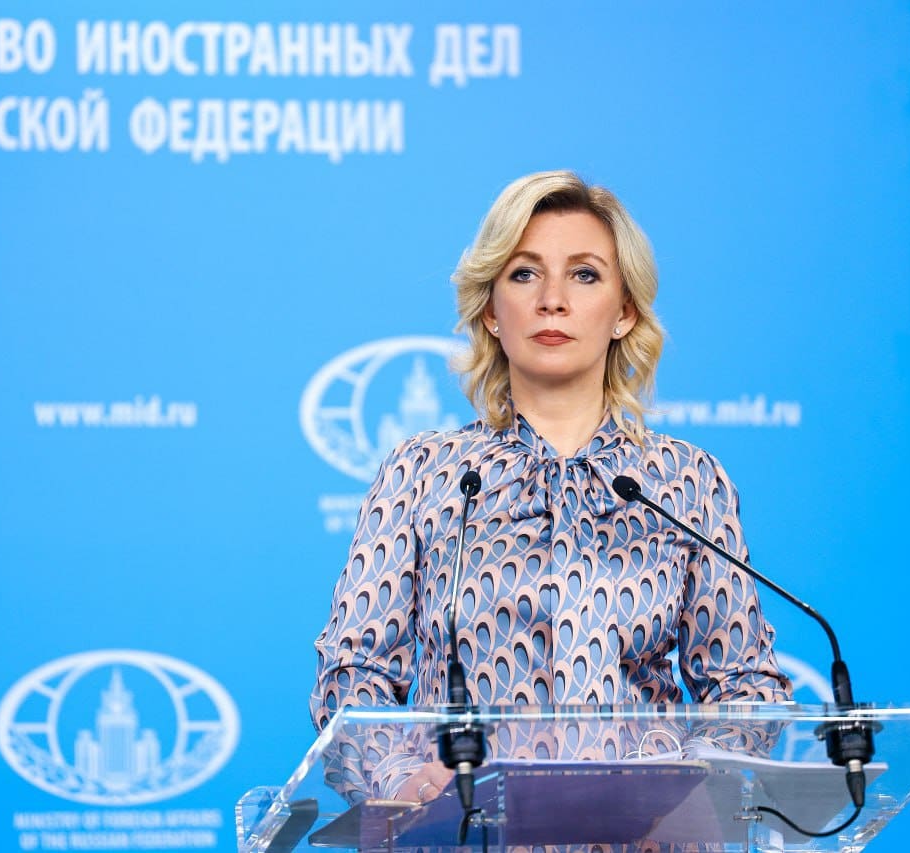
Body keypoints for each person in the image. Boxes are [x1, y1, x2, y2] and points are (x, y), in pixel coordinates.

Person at [309, 170, 790, 805]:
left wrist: (687, 784)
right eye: (524, 274)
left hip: (644, 839)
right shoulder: (423, 473)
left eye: (584, 274)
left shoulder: (686, 481)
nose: (553, 300)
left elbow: (744, 685)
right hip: (462, 832)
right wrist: (402, 778)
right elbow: (353, 672)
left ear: (624, 312)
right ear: (491, 310)